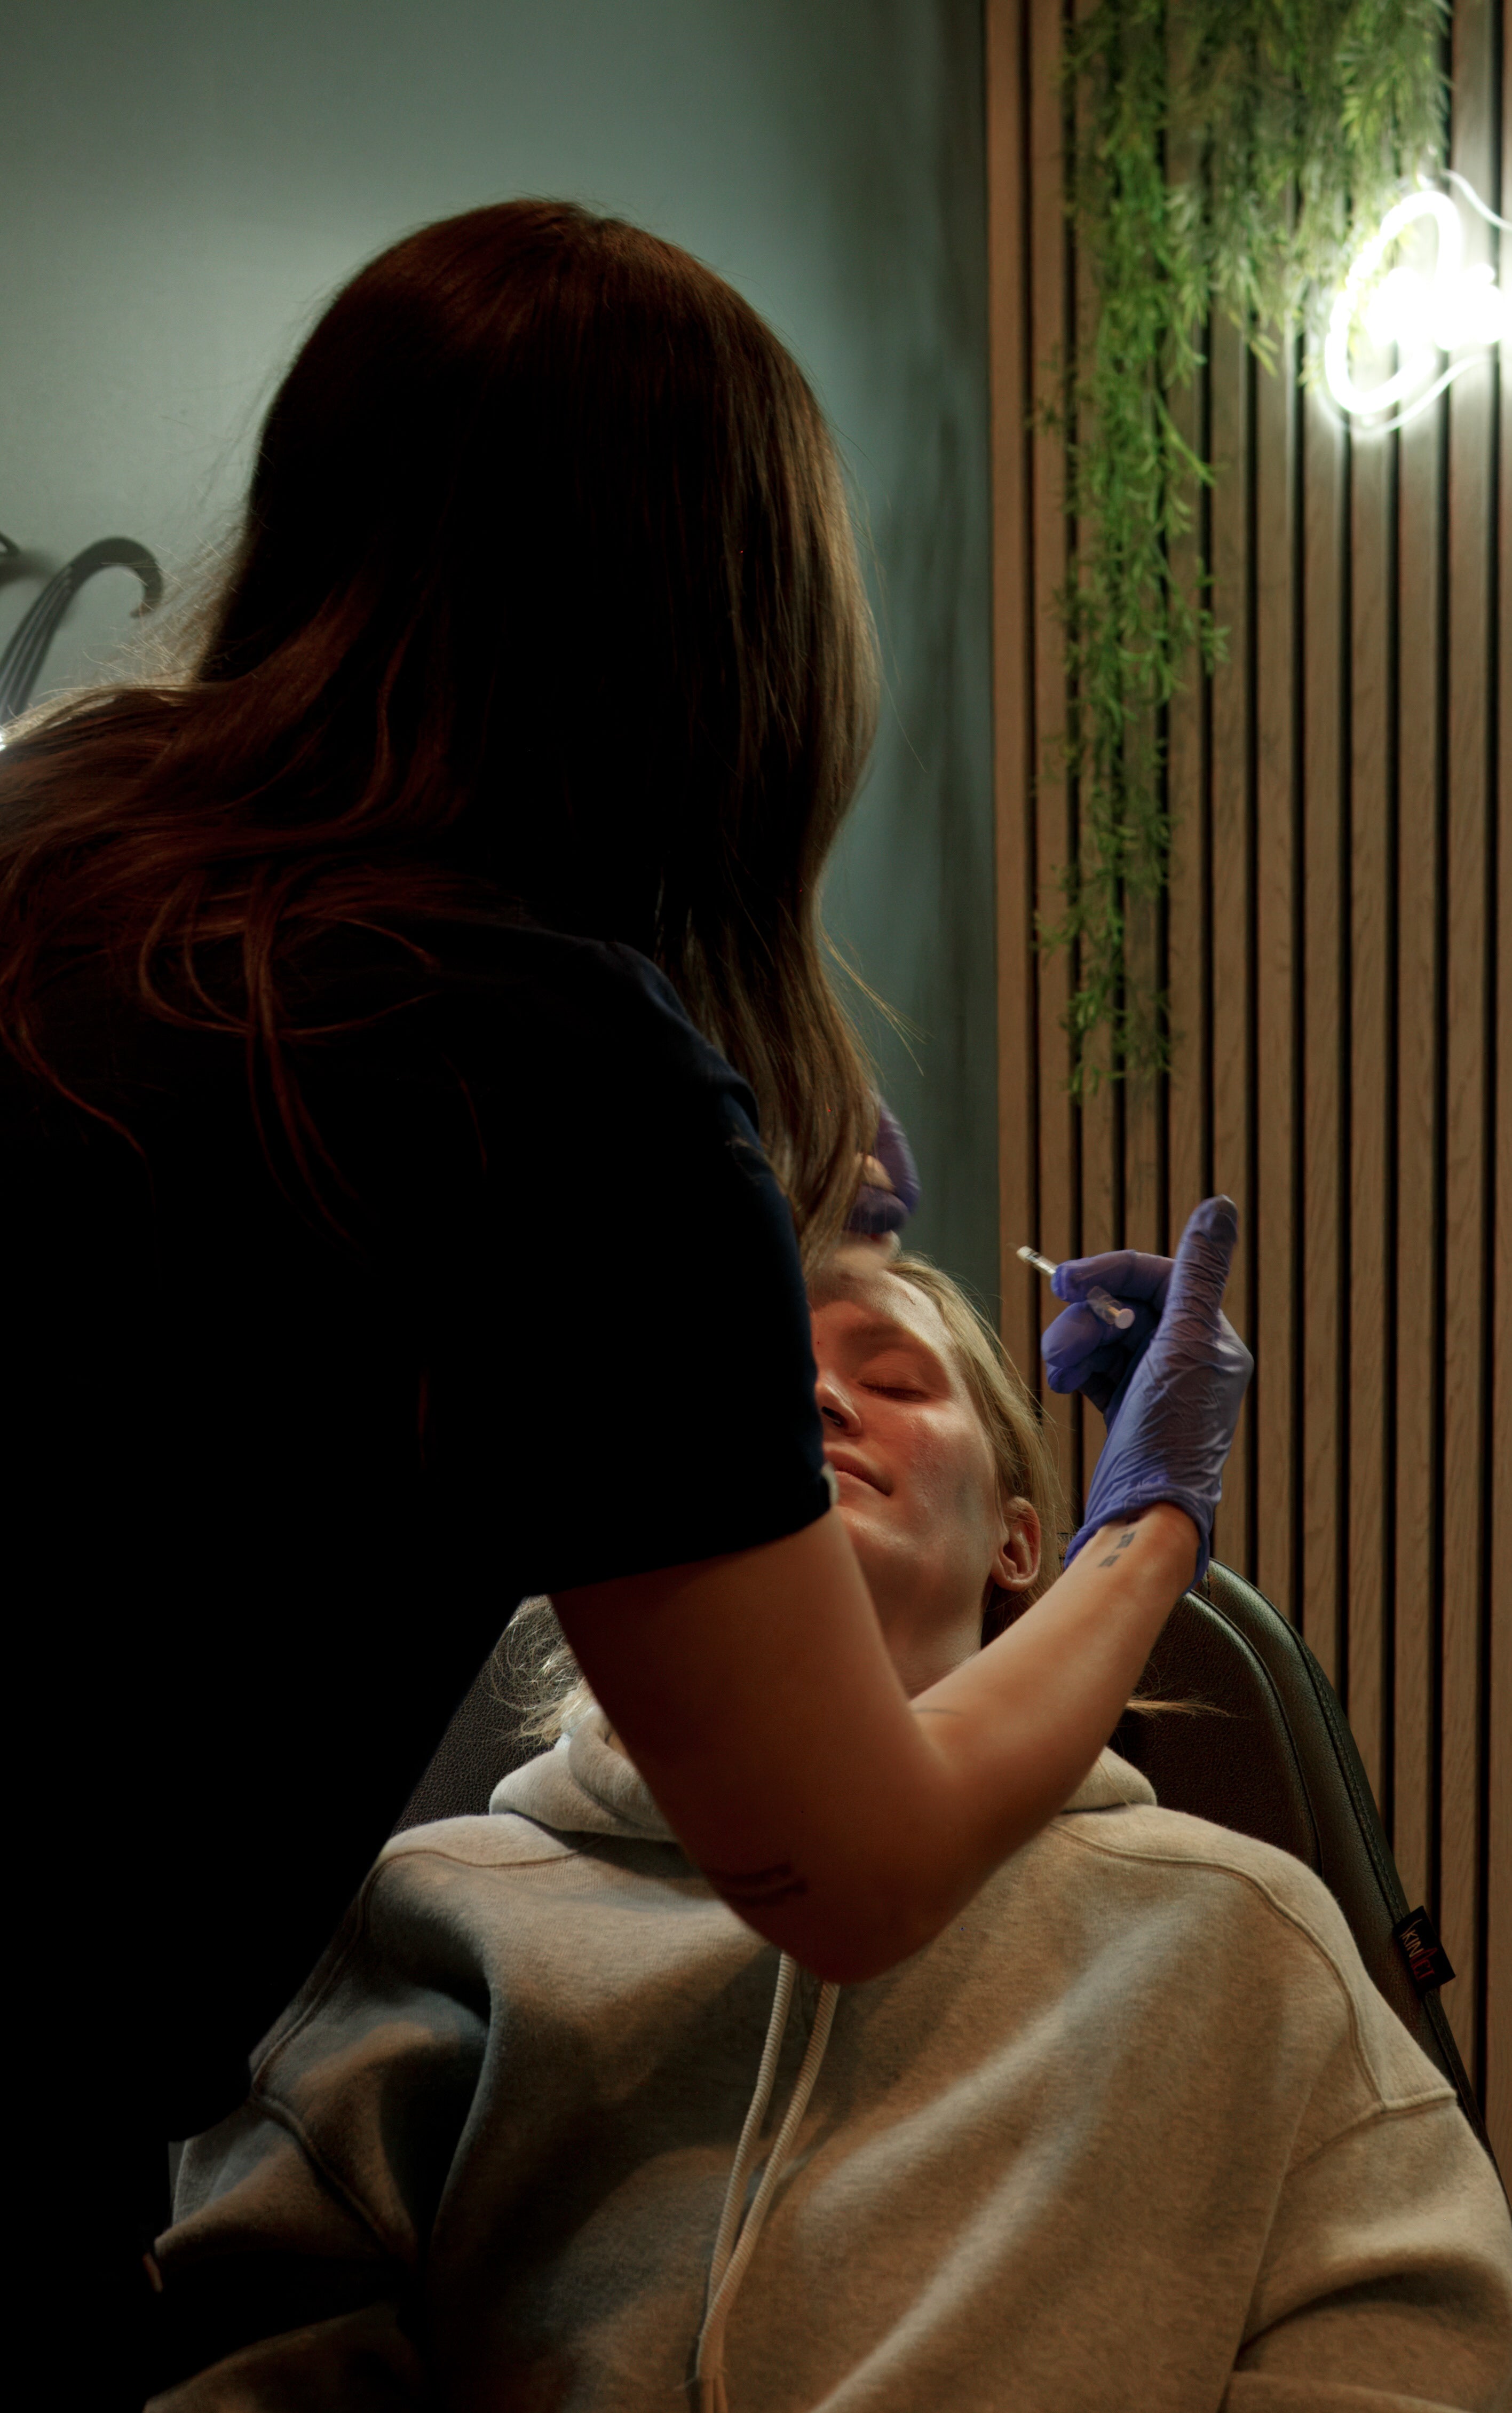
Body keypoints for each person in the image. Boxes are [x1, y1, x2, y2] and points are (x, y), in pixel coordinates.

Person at [0, 198, 1250, 2393]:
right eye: (790, 1361)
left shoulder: (58, 821)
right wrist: (1161, 1522)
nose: (827, 1394)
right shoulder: (558, 1086)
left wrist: (726, 1213)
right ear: (739, 657)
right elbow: (849, 1871)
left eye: (894, 1360)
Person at [147, 1242, 1512, 2412]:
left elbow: (1406, 2333)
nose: (811, 1391)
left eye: (896, 1377)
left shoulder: (1238, 1930)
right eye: (754, 1369)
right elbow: (254, 2332)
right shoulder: (432, 1908)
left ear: (1021, 1541)